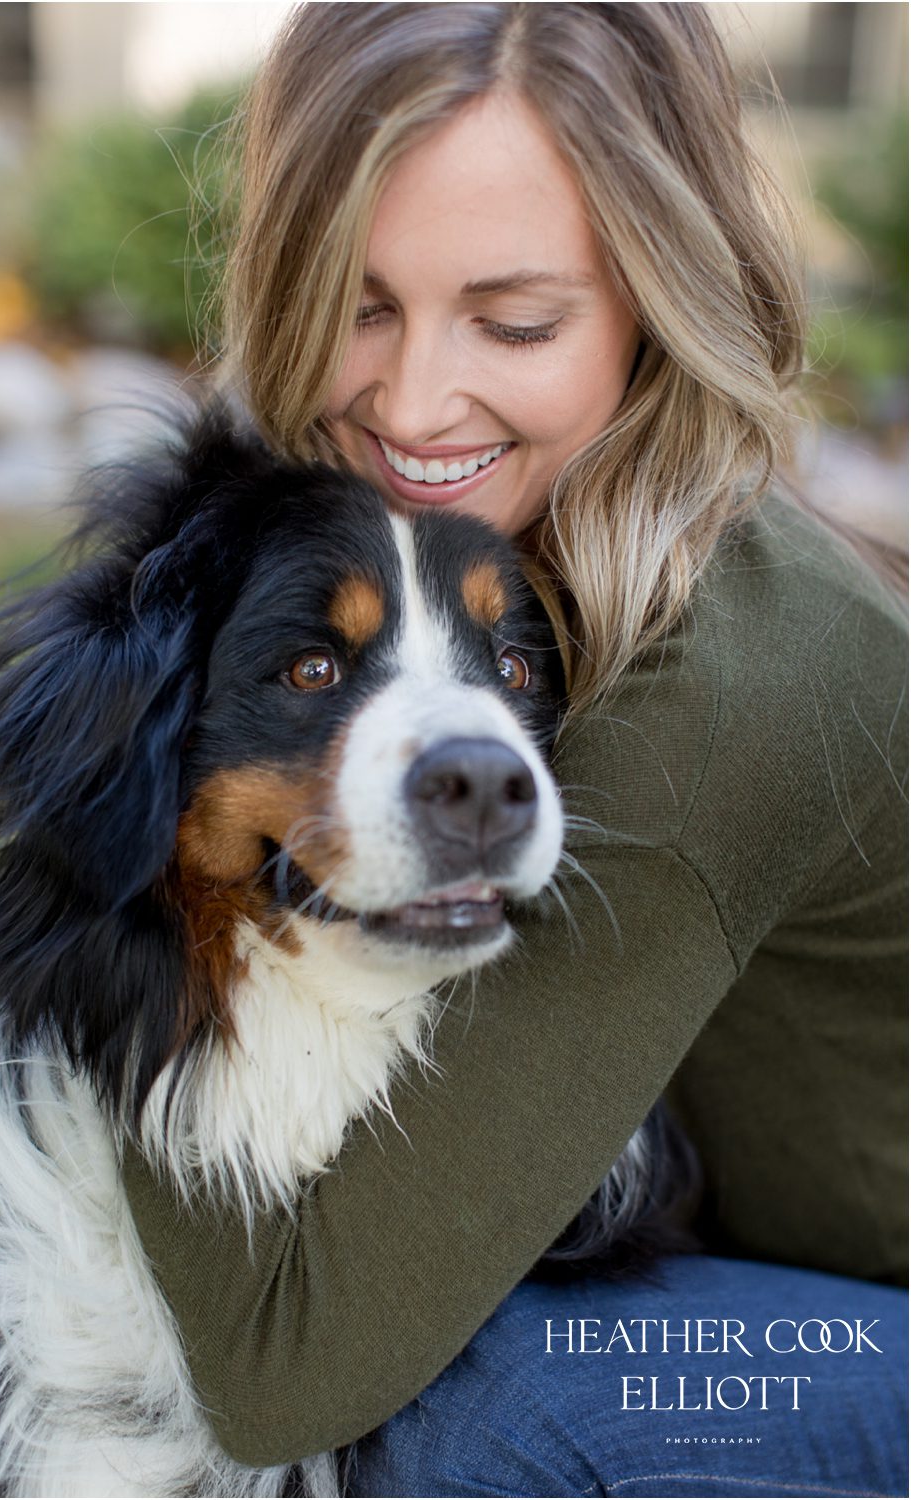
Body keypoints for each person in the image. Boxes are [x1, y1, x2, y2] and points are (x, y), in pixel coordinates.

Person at [120, 5, 907, 1495]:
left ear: (661, 300)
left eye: (516, 321)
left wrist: (109, 932)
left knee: (488, 1407)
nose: (412, 406)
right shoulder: (459, 553)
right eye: (360, 306)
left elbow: (288, 1360)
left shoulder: (735, 684)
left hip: (884, 1329)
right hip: (723, 1243)